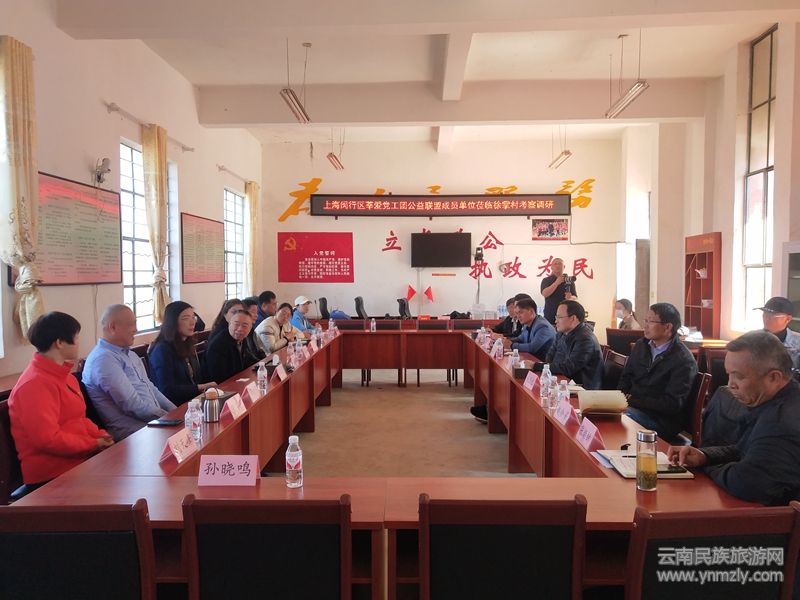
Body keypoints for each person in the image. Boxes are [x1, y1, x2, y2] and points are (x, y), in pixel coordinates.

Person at [669, 331, 800, 505]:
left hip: (776, 516)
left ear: (773, 377)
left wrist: (706, 467)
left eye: (739, 376)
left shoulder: (782, 422)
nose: (730, 385)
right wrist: (704, 456)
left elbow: (746, 483)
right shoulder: (779, 400)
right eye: (729, 374)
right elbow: (745, 449)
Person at [8, 312, 114, 489]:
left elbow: (79, 419)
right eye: (76, 337)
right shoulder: (33, 385)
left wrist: (100, 435)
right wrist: (93, 444)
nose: (79, 342)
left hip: (80, 460)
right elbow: (47, 439)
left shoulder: (65, 376)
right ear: (59, 343)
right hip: (52, 474)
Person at [82, 305, 176, 441]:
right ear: (113, 327)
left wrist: (176, 412)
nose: (136, 329)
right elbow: (132, 405)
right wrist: (170, 418)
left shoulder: (130, 355)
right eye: (132, 324)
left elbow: (152, 389)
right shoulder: (103, 359)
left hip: (155, 423)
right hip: (134, 435)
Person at [620, 302, 698, 442]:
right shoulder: (641, 345)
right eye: (645, 321)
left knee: (618, 418)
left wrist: (632, 400)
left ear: (667, 327)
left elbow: (671, 404)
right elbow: (626, 378)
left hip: (661, 420)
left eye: (651, 322)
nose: (645, 326)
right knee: (600, 412)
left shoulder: (683, 359)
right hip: (633, 407)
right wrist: (619, 398)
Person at [147, 301, 218, 406]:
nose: (192, 322)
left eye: (193, 317)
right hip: (174, 406)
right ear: (172, 322)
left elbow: (196, 377)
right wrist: (200, 387)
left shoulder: (186, 343)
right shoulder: (162, 349)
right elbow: (167, 390)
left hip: (193, 401)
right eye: (185, 318)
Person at [543, 300, 603, 389]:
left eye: (559, 317)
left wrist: (537, 366)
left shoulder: (585, 339)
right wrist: (546, 368)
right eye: (556, 317)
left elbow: (569, 368)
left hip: (582, 388)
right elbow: (550, 356)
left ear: (573, 318)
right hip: (564, 381)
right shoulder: (561, 333)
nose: (555, 321)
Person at [205, 309, 261, 383]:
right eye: (236, 324)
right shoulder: (218, 345)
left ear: (250, 328)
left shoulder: (242, 339)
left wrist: (263, 365)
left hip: (238, 380)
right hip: (219, 385)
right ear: (229, 324)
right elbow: (218, 377)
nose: (240, 329)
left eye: (244, 326)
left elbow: (249, 359)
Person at [758, 296, 800, 370]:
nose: (766, 318)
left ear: (788, 319)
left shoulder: (798, 342)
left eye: (772, 316)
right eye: (765, 314)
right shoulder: (751, 339)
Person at [540, 258, 578, 325]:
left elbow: (575, 296)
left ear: (564, 267)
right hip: (550, 315)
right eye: (555, 264)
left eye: (560, 264)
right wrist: (557, 283)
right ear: (551, 267)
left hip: (566, 316)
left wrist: (570, 298)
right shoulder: (546, 280)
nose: (557, 266)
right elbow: (545, 294)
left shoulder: (569, 280)